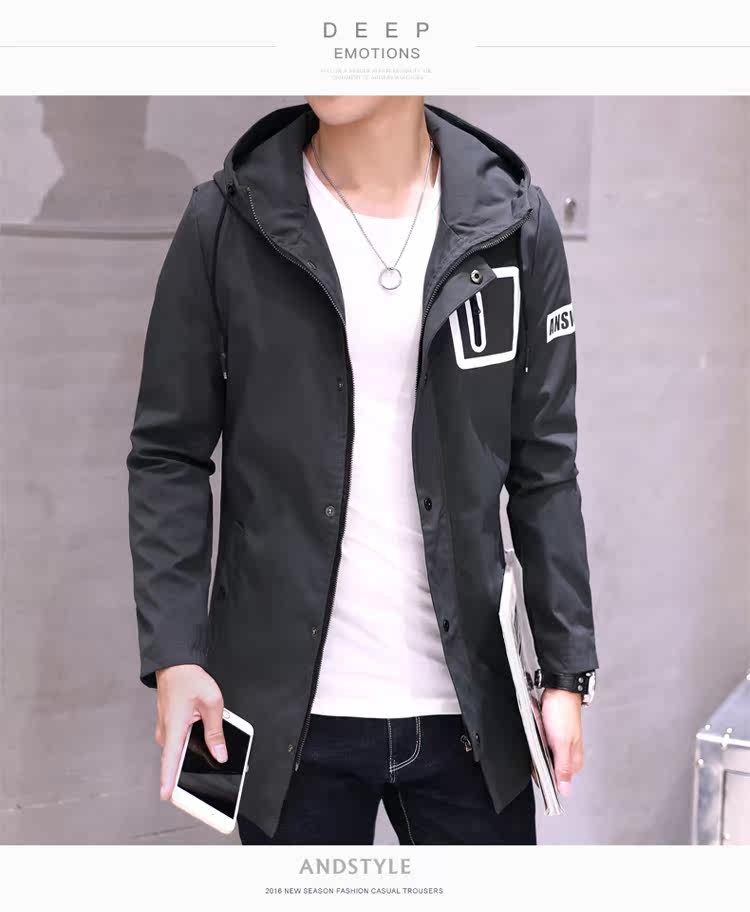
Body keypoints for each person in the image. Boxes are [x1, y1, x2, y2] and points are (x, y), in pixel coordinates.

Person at [126, 96, 598, 845]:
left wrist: (568, 672)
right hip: (281, 715)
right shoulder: (226, 220)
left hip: (471, 711)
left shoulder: (514, 223)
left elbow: (545, 466)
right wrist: (176, 655)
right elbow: (168, 453)